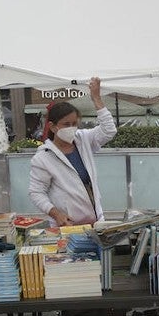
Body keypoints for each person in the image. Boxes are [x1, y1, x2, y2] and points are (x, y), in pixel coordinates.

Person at [28, 77, 116, 226]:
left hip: (96, 221)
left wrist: (96, 99)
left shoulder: (84, 139)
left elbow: (109, 131)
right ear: (53, 126)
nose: (72, 128)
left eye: (74, 124)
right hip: (67, 225)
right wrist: (55, 213)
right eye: (66, 124)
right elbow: (36, 192)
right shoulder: (43, 158)